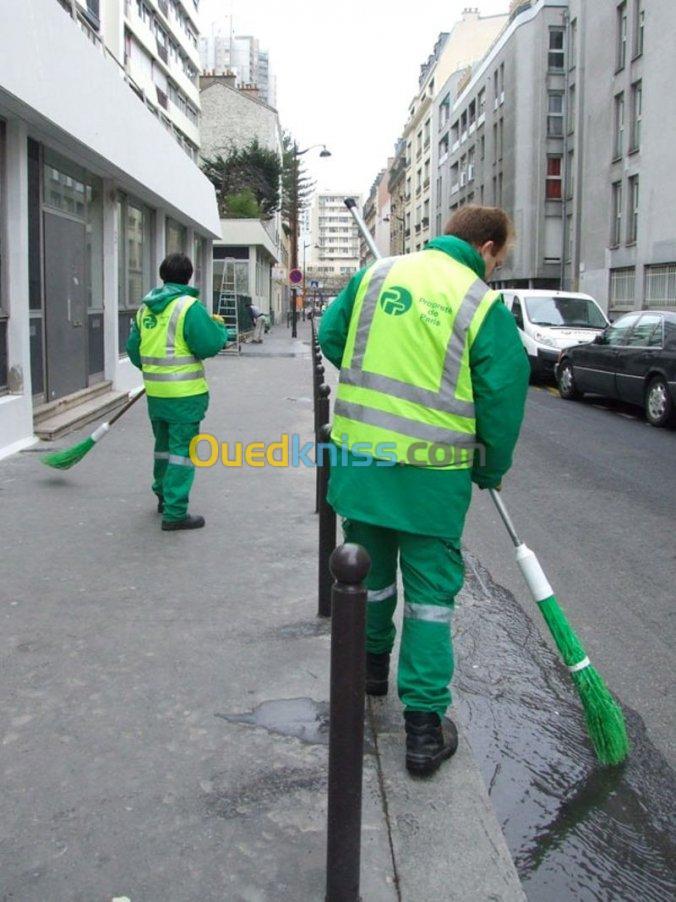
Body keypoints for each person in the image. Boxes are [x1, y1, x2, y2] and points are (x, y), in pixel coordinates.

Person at [318, 206, 529, 776]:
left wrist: (376, 372)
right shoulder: (481, 303)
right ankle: (422, 732)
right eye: (500, 258)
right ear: (485, 247)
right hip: (432, 481)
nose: (496, 268)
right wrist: (490, 465)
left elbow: (330, 336)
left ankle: (369, 671)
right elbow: (502, 397)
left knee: (371, 578)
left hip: (361, 463)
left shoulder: (377, 274)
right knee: (431, 602)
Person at [126, 253, 227, 531]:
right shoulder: (188, 307)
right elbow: (208, 346)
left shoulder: (144, 309)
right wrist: (219, 327)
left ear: (163, 276)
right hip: (184, 395)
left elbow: (135, 353)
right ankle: (175, 512)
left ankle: (162, 495)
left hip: (156, 393)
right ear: (189, 276)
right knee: (182, 451)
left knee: (163, 448)